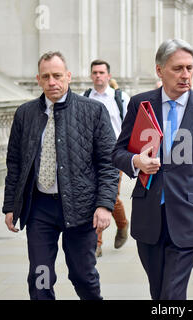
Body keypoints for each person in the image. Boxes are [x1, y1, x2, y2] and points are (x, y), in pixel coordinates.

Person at [112, 39, 193, 300]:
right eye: (178, 68)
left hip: (190, 215)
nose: (186, 75)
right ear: (160, 71)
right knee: (158, 294)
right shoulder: (140, 104)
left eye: (190, 68)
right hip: (148, 217)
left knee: (171, 295)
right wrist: (137, 162)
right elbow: (118, 153)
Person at [2, 51, 119, 300]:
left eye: (57, 75)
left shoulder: (93, 111)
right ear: (38, 79)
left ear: (68, 76)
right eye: (46, 77)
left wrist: (104, 205)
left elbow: (108, 163)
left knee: (82, 274)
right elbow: (15, 163)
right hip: (40, 209)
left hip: (81, 208)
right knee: (40, 275)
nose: (52, 82)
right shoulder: (25, 114)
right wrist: (11, 205)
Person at [84, 59, 130, 257]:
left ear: (108, 76)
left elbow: (130, 126)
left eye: (102, 72)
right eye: (95, 72)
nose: (98, 76)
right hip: (89, 155)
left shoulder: (120, 98)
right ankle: (97, 243)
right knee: (95, 196)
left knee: (111, 196)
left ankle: (122, 224)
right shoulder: (84, 98)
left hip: (114, 155)